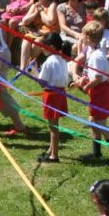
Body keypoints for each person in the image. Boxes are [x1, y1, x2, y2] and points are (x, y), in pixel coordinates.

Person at [77, 21, 109, 165]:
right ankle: (96, 152)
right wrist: (84, 79)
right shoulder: (94, 51)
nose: (82, 37)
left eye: (84, 34)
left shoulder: (96, 55)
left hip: (100, 91)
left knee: (101, 124)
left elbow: (97, 78)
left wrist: (86, 87)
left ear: (89, 37)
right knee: (93, 122)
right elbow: (93, 74)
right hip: (98, 90)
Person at [37, 32, 68, 163]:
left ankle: (54, 155)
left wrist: (34, 71)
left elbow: (42, 82)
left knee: (53, 126)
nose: (42, 48)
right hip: (60, 93)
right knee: (54, 124)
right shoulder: (62, 59)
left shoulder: (48, 62)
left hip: (51, 95)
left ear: (52, 47)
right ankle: (50, 150)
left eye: (44, 46)